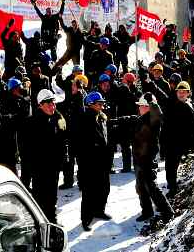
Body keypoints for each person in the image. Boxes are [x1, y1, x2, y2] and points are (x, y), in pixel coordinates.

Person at [112, 96, 173, 222]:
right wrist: (112, 121)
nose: (139, 108)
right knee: (140, 187)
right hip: (139, 158)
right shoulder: (139, 120)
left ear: (147, 107)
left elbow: (158, 114)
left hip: (148, 159)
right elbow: (127, 119)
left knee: (151, 186)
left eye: (141, 106)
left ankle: (167, 211)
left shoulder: (153, 120)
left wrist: (152, 103)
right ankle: (147, 211)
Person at [22, 89, 68, 223]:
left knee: (52, 197)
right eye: (48, 104)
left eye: (53, 103)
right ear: (40, 105)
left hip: (53, 167)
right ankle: (41, 224)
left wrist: (63, 159)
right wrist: (27, 175)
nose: (52, 107)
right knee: (40, 200)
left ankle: (52, 221)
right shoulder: (31, 123)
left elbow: (63, 141)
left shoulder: (57, 119)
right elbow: (26, 151)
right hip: (39, 170)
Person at [160, 81, 194, 195]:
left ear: (188, 93)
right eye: (179, 92)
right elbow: (165, 127)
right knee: (171, 166)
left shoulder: (189, 105)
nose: (181, 94)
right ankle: (172, 188)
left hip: (188, 139)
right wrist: (163, 146)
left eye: (184, 92)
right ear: (176, 93)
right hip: (174, 141)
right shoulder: (171, 105)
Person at [75, 92, 113, 231]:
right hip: (89, 162)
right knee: (89, 192)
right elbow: (79, 144)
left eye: (102, 103)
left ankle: (99, 210)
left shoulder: (102, 117)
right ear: (90, 104)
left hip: (103, 160)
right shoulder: (84, 119)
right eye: (99, 103)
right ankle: (86, 219)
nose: (102, 105)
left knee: (104, 188)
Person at [0, 78, 30, 175]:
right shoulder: (7, 102)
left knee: (26, 160)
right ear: (14, 89)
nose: (21, 89)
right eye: (19, 87)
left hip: (24, 133)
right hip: (13, 136)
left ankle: (25, 183)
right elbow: (13, 118)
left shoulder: (22, 99)